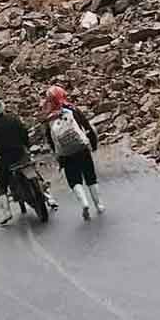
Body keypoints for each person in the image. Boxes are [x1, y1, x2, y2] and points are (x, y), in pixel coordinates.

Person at [42, 86, 103, 221]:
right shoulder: (73, 110)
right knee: (90, 176)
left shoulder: (50, 117)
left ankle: (84, 203)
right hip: (82, 148)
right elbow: (87, 127)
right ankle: (98, 205)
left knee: (74, 180)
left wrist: (58, 155)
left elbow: (51, 140)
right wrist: (93, 144)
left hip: (65, 154)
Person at [0, 98, 32, 226]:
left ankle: (6, 213)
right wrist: (26, 146)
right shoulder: (14, 119)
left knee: (1, 184)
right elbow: (24, 132)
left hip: (6, 159)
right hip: (21, 154)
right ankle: (49, 198)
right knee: (32, 169)